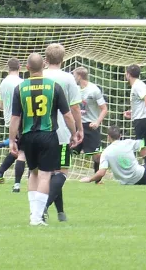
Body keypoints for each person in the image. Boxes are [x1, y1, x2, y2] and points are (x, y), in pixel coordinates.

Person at [10, 53, 78, 226]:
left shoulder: (20, 88)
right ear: (43, 67)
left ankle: (34, 214)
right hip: (48, 135)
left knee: (33, 173)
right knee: (45, 175)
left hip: (28, 136)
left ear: (27, 68)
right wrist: (74, 133)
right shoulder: (54, 87)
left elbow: (15, 118)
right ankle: (37, 217)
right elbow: (68, 115)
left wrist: (12, 140)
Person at [42, 43, 83, 222]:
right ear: (63, 58)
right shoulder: (67, 78)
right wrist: (79, 129)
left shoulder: (38, 75)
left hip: (39, 131)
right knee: (62, 173)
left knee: (51, 174)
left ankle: (61, 213)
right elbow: (74, 108)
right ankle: (42, 207)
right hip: (61, 132)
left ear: (46, 58)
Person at [80, 126, 146, 185]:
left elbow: (101, 173)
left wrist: (89, 179)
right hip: (139, 173)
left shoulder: (106, 152)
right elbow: (143, 143)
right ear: (120, 136)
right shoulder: (128, 143)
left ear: (108, 137)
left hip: (127, 182)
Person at [0, 58, 25, 192]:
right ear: (20, 67)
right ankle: (17, 183)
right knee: (22, 152)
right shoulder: (21, 82)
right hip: (21, 120)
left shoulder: (3, 83)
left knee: (16, 148)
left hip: (9, 120)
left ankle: (0, 173)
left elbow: (0, 105)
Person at [72, 66, 108, 179]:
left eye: (74, 75)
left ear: (79, 76)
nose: (73, 77)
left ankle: (97, 179)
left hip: (91, 125)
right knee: (68, 150)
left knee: (97, 155)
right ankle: (60, 175)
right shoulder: (74, 89)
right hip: (77, 125)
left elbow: (104, 109)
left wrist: (97, 122)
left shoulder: (94, 90)